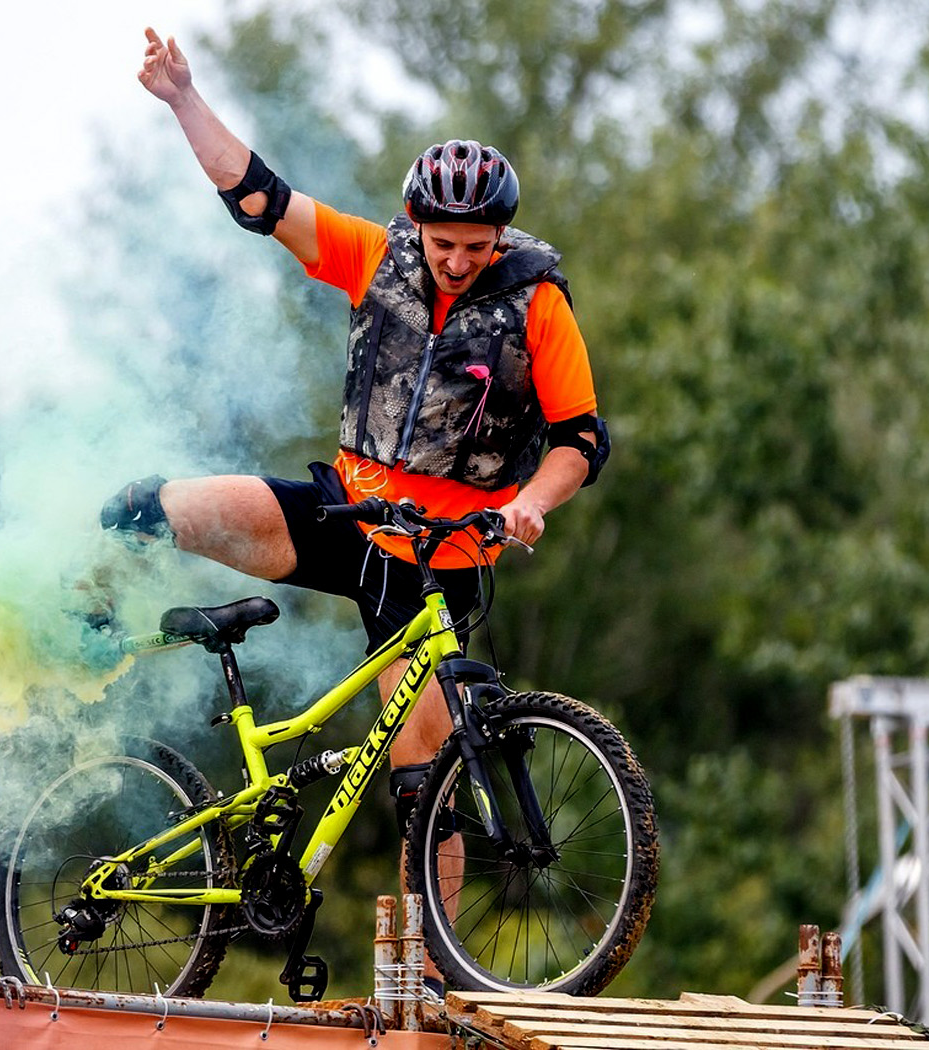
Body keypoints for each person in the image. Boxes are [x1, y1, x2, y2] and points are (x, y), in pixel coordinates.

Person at [110, 27, 611, 993]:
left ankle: (436, 971)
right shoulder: (375, 256)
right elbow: (260, 197)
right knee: (158, 504)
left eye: (477, 246)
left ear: (501, 237)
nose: (459, 260)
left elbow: (580, 440)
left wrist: (533, 505)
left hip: (444, 556)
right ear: (417, 226)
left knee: (429, 778)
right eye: (444, 243)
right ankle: (85, 608)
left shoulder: (537, 304)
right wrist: (182, 99)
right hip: (350, 515)